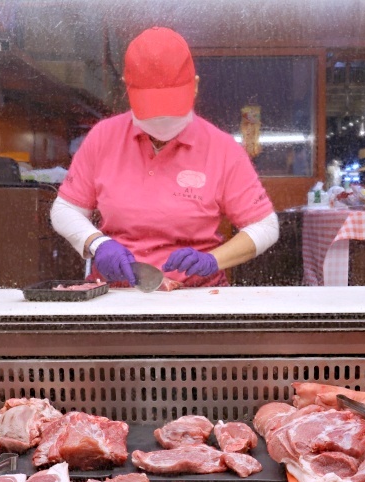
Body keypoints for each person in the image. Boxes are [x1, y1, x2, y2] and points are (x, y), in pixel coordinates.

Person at [50, 26, 279, 288]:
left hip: (197, 295)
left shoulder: (222, 149)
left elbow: (265, 226)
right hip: (116, 295)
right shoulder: (103, 137)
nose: (161, 122)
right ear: (128, 90)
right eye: (151, 109)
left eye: (171, 109)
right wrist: (96, 242)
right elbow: (65, 209)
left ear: (194, 87)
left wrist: (212, 260)